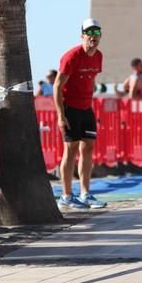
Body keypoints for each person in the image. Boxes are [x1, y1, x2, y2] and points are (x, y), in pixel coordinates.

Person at [54, 18, 107, 210]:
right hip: (70, 108)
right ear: (82, 36)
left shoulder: (98, 56)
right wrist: (61, 115)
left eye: (96, 33)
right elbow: (57, 85)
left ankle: (85, 193)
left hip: (87, 108)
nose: (93, 37)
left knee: (88, 148)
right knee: (71, 149)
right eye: (89, 33)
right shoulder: (72, 56)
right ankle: (66, 195)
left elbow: (90, 80)